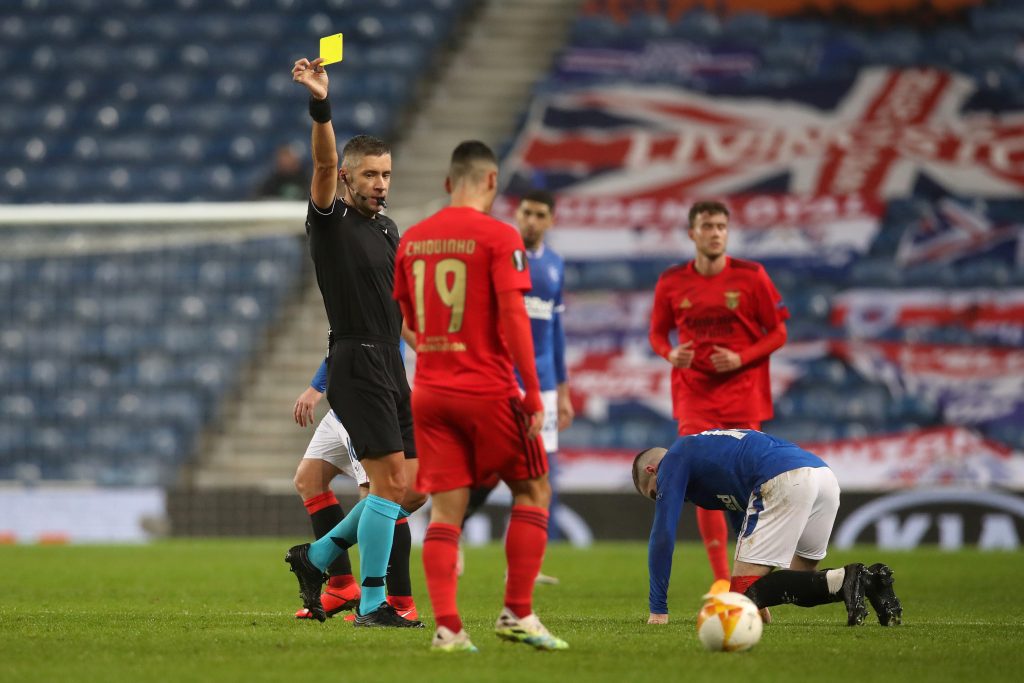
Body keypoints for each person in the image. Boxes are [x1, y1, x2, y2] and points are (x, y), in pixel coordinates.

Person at [393, 141, 569, 653]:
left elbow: (404, 318)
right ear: (492, 182)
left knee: (446, 512)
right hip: (488, 390)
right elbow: (516, 318)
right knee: (533, 491)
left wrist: (436, 350)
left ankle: (448, 629)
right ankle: (517, 612)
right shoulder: (500, 235)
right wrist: (534, 394)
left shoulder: (414, 240)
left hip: (430, 391)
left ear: (449, 184)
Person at [283, 55, 425, 628]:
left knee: (412, 489)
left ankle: (317, 556)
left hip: (391, 361)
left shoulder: (389, 229)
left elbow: (398, 307)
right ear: (347, 177)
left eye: (387, 174)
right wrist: (321, 103)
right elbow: (321, 156)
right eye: (370, 174)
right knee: (388, 484)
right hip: (355, 359)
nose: (381, 184)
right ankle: (372, 605)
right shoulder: (329, 218)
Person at [648, 200, 789, 594]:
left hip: (743, 394)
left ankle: (752, 577)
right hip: (694, 394)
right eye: (707, 226)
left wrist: (741, 357)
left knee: (746, 483)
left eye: (721, 226)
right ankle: (721, 578)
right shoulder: (672, 282)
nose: (715, 233)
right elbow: (658, 334)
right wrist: (670, 354)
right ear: (692, 233)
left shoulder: (752, 276)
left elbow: (778, 332)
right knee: (699, 474)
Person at [632, 428, 903, 627]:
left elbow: (663, 535)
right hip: (822, 478)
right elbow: (742, 517)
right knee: (802, 580)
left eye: (655, 493)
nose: (662, 496)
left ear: (653, 470)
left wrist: (658, 609)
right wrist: (760, 594)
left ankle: (847, 576)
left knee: (740, 599)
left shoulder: (675, 458)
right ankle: (867, 581)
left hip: (783, 479)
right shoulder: (705, 456)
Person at [460, 189, 573, 583]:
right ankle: (451, 533)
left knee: (543, 476)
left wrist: (562, 390)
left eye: (540, 214)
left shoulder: (556, 265)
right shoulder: (501, 257)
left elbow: (555, 331)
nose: (531, 221)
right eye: (526, 212)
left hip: (541, 386)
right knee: (484, 470)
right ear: (518, 213)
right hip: (501, 381)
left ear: (551, 220)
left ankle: (526, 566)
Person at [290, 351, 419, 622]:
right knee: (309, 479)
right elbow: (341, 340)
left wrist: (317, 387)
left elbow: (375, 339)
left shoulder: (384, 310)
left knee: (380, 491)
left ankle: (399, 601)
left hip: (367, 394)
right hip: (343, 402)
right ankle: (341, 586)